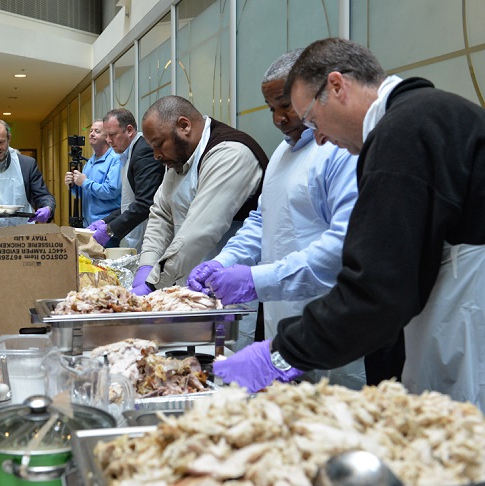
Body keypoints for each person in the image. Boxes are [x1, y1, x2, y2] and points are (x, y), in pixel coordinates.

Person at [213, 38, 485, 412]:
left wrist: (282, 353)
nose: (319, 136)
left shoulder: (402, 132)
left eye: (311, 118)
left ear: (337, 87)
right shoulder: (422, 115)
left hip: (465, 332)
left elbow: (378, 285)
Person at [187, 50, 365, 389]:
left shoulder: (340, 150)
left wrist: (256, 279)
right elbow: (261, 220)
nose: (279, 118)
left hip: (332, 315)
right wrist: (225, 261)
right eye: (272, 109)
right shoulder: (283, 152)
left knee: (337, 416)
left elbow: (343, 247)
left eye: (286, 105)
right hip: (282, 311)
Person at [130, 96, 268, 295]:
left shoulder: (230, 153)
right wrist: (147, 265)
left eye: (159, 144)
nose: (156, 155)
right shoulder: (179, 158)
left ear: (184, 126)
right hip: (193, 281)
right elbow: (161, 214)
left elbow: (201, 231)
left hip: (235, 285)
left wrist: (153, 284)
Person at [87, 108, 165, 250]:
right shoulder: (127, 152)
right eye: (107, 136)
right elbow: (128, 203)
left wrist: (110, 229)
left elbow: (144, 203)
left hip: (152, 233)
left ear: (129, 130)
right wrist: (104, 222)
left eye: (112, 135)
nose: (108, 141)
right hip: (137, 231)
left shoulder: (143, 151)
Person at [65, 120, 121, 226]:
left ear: (107, 137)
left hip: (106, 224)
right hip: (88, 224)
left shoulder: (115, 159)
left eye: (97, 131)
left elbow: (111, 191)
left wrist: (84, 182)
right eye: (91, 131)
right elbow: (84, 193)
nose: (91, 134)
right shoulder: (90, 162)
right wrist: (73, 185)